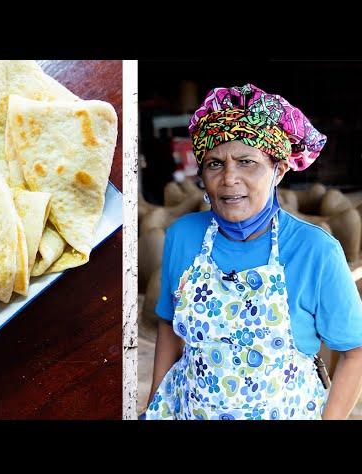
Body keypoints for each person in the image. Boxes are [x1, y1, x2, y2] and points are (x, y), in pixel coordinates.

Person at [143, 83, 362, 420]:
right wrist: (154, 407)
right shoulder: (182, 236)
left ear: (278, 170)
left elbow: (355, 353)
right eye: (215, 164)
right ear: (201, 173)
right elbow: (169, 327)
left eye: (247, 162)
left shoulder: (316, 250)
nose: (229, 178)